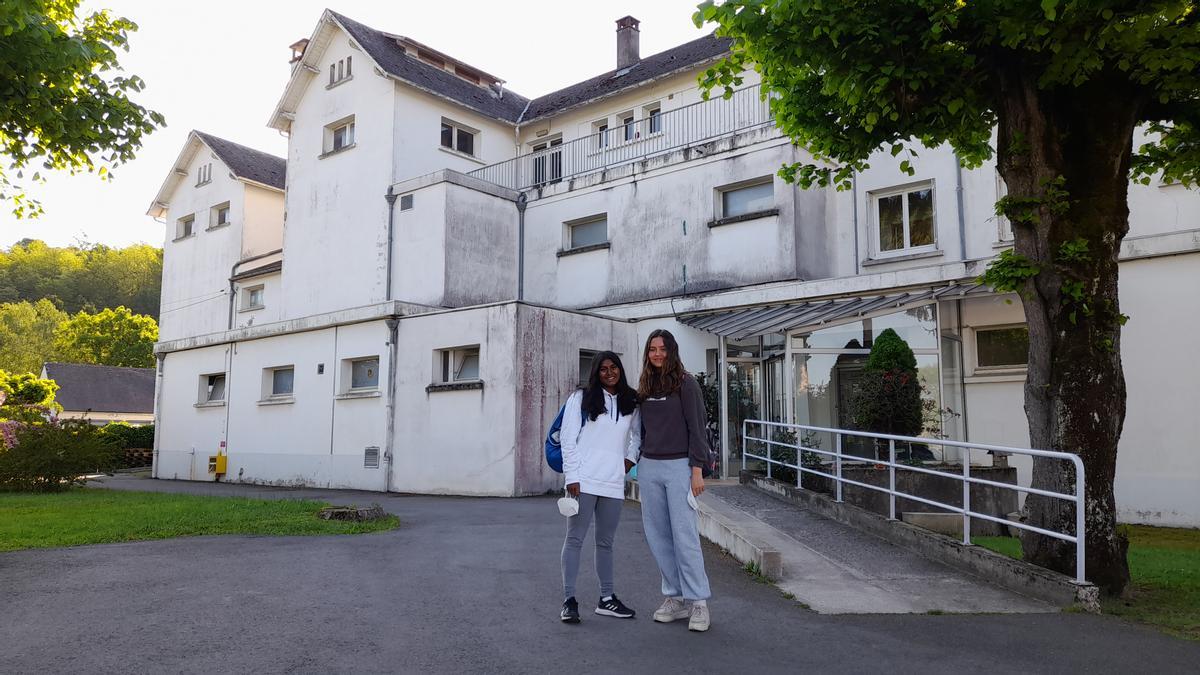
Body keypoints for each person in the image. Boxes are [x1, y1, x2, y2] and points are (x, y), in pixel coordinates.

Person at [636, 328, 712, 632]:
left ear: (672, 350)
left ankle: (699, 602)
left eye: (662, 348)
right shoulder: (644, 384)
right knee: (658, 536)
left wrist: (697, 469)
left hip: (680, 466)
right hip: (649, 467)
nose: (657, 354)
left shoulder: (686, 383)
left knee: (685, 535)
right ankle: (675, 597)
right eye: (652, 349)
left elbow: (698, 427)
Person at [558, 351, 641, 624]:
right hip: (583, 481)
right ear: (596, 372)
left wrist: (629, 459)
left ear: (620, 369)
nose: (609, 372)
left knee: (605, 543)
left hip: (613, 483)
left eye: (614, 367)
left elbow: (638, 435)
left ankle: (607, 599)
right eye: (603, 368)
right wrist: (572, 476)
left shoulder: (631, 400)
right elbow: (568, 438)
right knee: (575, 540)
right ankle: (569, 601)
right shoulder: (580, 398)